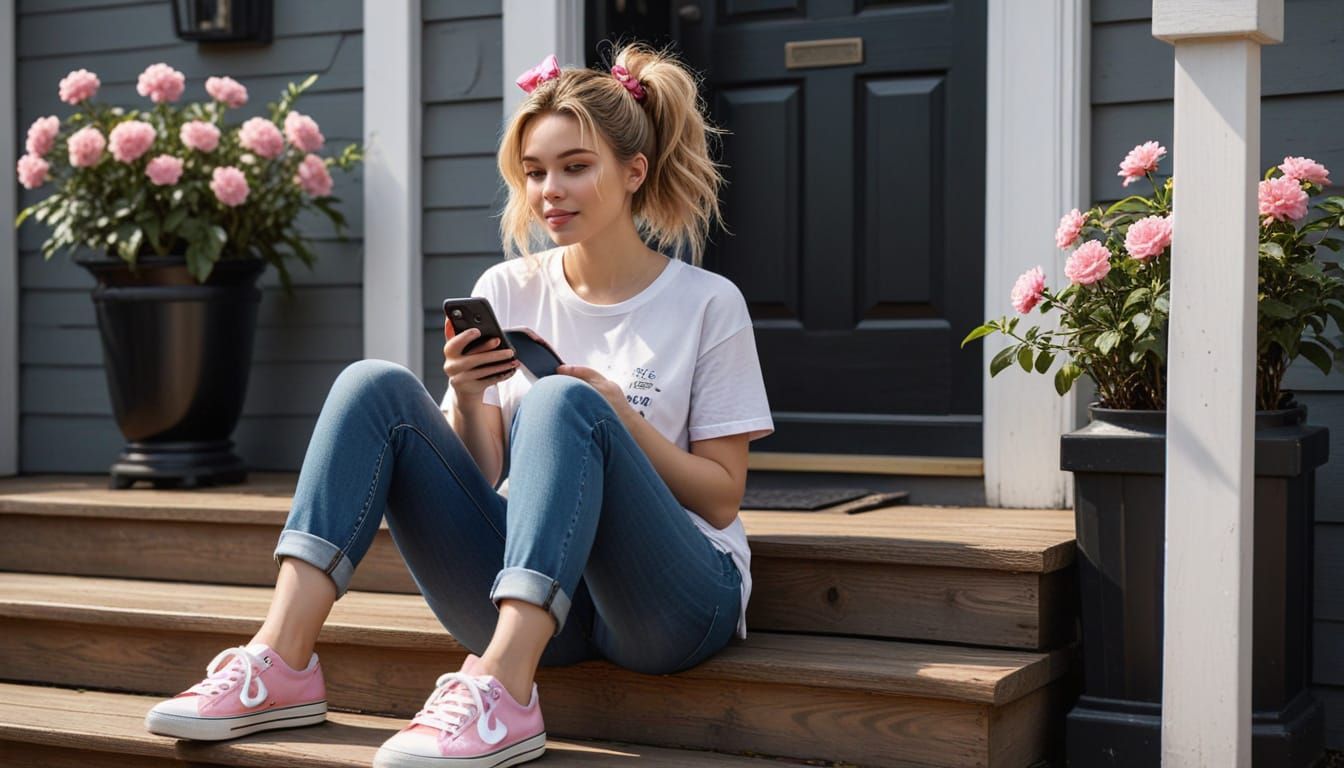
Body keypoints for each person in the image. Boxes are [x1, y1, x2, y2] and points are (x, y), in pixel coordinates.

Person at [144, 41, 774, 768]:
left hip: (672, 602)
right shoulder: (508, 289)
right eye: (534, 172)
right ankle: (280, 660)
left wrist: (618, 419)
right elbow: (478, 477)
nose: (549, 192)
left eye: (576, 167)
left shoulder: (706, 303)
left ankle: (502, 686)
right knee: (371, 385)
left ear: (633, 172)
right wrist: (472, 397)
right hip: (544, 603)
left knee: (563, 402)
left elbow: (722, 500)